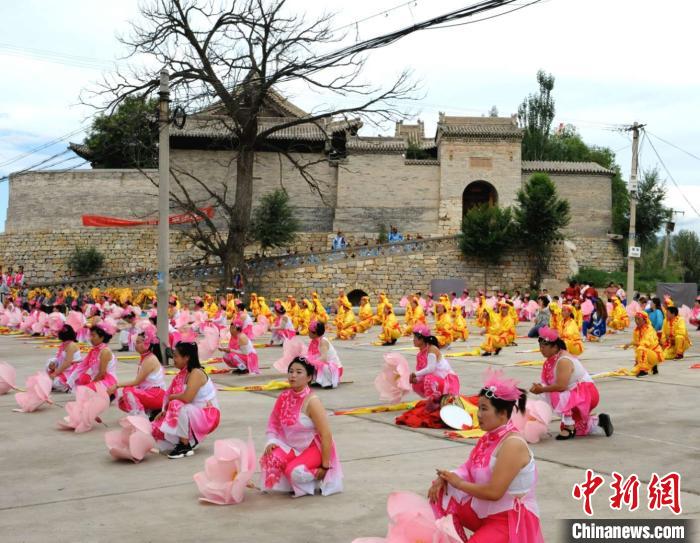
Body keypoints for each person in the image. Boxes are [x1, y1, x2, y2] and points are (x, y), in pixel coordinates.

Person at [429, 368, 544, 542]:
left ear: (503, 413)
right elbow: (467, 468)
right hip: (488, 510)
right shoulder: (490, 438)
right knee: (439, 492)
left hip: (510, 519)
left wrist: (458, 483)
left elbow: (494, 492)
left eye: (484, 409)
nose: (478, 414)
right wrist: (446, 477)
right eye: (478, 408)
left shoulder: (512, 444)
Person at [260, 357, 343, 497]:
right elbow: (273, 422)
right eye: (291, 371)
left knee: (293, 472)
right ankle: (296, 474)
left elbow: (326, 434)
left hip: (314, 448)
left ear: (309, 377)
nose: (293, 375)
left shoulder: (312, 402)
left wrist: (325, 465)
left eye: (299, 372)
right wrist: (272, 441)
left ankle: (316, 476)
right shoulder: (284, 396)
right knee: (270, 459)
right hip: (292, 446)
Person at [530, 327, 613, 440]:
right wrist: (540, 387)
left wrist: (542, 389)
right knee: (578, 428)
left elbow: (561, 386)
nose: (541, 349)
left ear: (555, 347)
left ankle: (569, 427)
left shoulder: (563, 360)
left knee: (553, 393)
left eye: (544, 346)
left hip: (585, 393)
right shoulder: (552, 359)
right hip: (576, 393)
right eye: (540, 346)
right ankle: (599, 420)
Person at [152, 342, 221, 459]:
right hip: (194, 411)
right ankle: (184, 441)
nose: (173, 359)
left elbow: (186, 398)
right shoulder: (184, 374)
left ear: (186, 357)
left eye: (176, 356)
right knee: (157, 429)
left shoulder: (196, 373)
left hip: (208, 415)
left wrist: (171, 398)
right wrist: (164, 410)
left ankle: (185, 445)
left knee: (176, 404)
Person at [111, 330, 166, 416]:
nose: (136, 345)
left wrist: (117, 385)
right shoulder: (145, 357)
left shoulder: (150, 359)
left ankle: (141, 417)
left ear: (147, 344)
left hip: (156, 395)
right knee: (122, 402)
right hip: (151, 392)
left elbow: (137, 382)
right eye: (136, 342)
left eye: (138, 342)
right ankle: (149, 412)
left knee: (128, 391)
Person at [409, 325, 460, 411]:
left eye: (415, 337)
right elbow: (422, 373)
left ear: (422, 339)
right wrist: (416, 379)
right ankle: (435, 400)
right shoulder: (420, 354)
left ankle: (436, 401)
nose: (413, 340)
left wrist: (415, 374)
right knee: (416, 383)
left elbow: (430, 369)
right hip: (436, 379)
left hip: (447, 380)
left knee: (428, 378)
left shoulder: (432, 349)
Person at [68, 321, 118, 392]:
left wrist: (91, 384)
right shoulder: (94, 350)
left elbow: (102, 373)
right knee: (80, 377)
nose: (91, 338)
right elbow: (83, 365)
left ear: (102, 337)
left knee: (85, 391)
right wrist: (71, 380)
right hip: (97, 378)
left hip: (106, 381)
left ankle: (105, 394)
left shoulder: (105, 351)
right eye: (90, 335)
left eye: (93, 335)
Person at [623, 312, 663, 377]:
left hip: (655, 354)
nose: (636, 321)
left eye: (639, 319)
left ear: (645, 320)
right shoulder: (637, 330)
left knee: (641, 348)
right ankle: (652, 366)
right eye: (635, 319)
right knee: (634, 370)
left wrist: (631, 343)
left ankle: (644, 371)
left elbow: (644, 343)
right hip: (647, 353)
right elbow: (636, 347)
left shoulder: (649, 329)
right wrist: (637, 361)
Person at [306, 321, 343, 389]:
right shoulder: (315, 340)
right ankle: (320, 381)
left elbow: (324, 358)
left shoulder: (322, 342)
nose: (308, 332)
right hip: (328, 366)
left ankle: (328, 383)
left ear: (315, 333)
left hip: (336, 369)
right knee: (309, 363)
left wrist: (310, 362)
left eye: (309, 331)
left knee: (319, 365)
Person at [46, 324, 82, 392]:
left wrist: (55, 373)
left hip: (71, 369)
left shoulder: (71, 345)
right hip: (65, 368)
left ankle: (68, 386)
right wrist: (53, 364)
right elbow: (59, 358)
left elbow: (67, 363)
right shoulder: (64, 344)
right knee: (49, 362)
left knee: (55, 382)